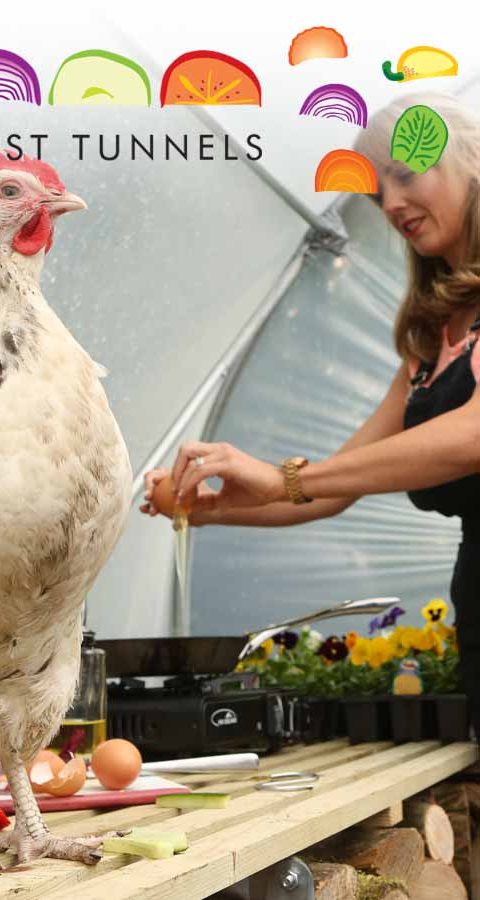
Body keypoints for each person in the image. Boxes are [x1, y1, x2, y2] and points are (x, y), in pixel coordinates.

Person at [140, 90, 480, 737]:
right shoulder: (433, 342)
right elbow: (335, 486)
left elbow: (472, 436)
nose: (393, 204)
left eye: (406, 175)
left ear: (470, 158)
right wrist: (212, 506)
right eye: (379, 193)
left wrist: (283, 477)